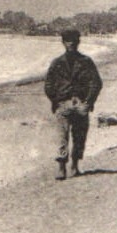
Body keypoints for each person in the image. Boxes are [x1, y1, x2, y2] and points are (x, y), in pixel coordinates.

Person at [44, 30, 103, 181]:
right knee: (62, 137)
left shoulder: (86, 61)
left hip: (81, 103)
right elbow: (49, 84)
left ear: (78, 42)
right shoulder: (57, 63)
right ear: (63, 43)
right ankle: (61, 167)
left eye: (74, 40)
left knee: (79, 136)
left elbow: (96, 83)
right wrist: (56, 101)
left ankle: (75, 165)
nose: (71, 43)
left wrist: (88, 102)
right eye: (68, 40)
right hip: (63, 104)